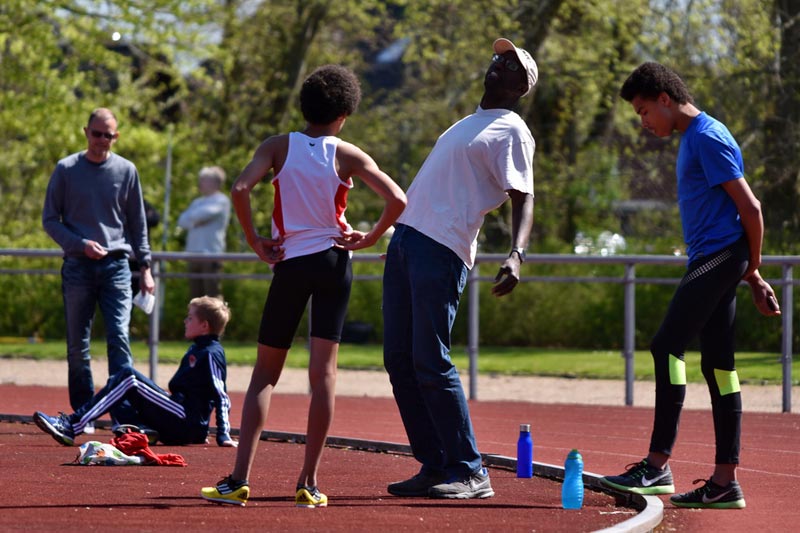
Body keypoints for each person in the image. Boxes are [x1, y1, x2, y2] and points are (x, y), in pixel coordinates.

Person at [200, 65, 406, 508]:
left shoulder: (277, 146)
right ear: (345, 113)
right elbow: (398, 200)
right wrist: (368, 238)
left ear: (303, 106)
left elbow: (239, 188)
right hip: (334, 262)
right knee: (324, 375)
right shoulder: (347, 153)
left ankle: (238, 481)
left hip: (291, 263)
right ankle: (308, 484)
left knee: (265, 374)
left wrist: (256, 240)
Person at [600, 62, 781, 509]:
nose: (643, 123)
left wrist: (750, 267)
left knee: (666, 347)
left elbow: (752, 209)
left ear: (665, 99)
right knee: (719, 366)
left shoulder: (706, 136)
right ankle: (724, 483)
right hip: (720, 258)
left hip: (719, 257)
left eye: (643, 112)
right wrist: (751, 273)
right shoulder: (693, 138)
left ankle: (657, 467)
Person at [382, 38, 537, 500]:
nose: (497, 63)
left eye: (508, 63)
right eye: (496, 56)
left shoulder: (512, 129)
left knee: (430, 359)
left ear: (521, 85)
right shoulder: (468, 122)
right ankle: (435, 464)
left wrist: (517, 253)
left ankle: (470, 471)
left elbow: (524, 195)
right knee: (399, 361)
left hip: (442, 246)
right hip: (407, 239)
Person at [42, 108, 156, 423]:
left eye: (108, 135)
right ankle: (83, 416)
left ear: (115, 137)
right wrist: (79, 244)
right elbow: (50, 220)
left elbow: (137, 224)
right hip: (78, 266)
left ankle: (123, 416)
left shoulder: (127, 170)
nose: (102, 140)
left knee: (119, 337)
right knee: (78, 347)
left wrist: (145, 267)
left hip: (117, 265)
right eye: (97, 133)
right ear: (86, 132)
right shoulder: (66, 169)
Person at [32, 296, 237, 448]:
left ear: (204, 325)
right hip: (181, 416)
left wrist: (223, 434)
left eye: (190, 318)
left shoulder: (211, 353)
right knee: (120, 385)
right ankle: (142, 429)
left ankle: (72, 425)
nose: (185, 321)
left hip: (186, 421)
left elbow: (221, 395)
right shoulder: (198, 348)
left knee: (128, 377)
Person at [177, 166, 231, 299]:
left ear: (215, 183)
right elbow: (182, 221)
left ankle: (216, 320)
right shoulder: (197, 202)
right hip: (193, 253)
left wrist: (193, 221)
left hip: (211, 253)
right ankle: (197, 320)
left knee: (212, 296)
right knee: (195, 297)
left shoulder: (222, 200)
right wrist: (196, 221)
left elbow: (202, 215)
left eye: (203, 180)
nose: (199, 183)